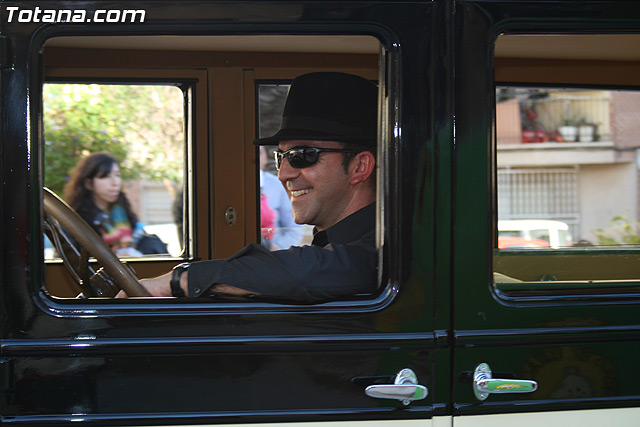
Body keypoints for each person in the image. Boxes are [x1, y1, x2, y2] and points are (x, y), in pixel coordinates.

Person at [124, 72, 378, 302]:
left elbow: (313, 272)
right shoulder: (330, 246)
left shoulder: (383, 249)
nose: (283, 174)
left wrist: (181, 280)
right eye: (281, 157)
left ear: (360, 167)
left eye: (302, 155)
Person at [64, 152, 167, 256]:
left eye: (117, 175)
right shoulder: (75, 221)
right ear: (89, 183)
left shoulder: (123, 211)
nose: (115, 182)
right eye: (105, 176)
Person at [259, 145, 304, 250]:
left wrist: (275, 249)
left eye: (259, 154)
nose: (254, 159)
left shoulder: (278, 185)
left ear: (266, 158)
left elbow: (294, 229)